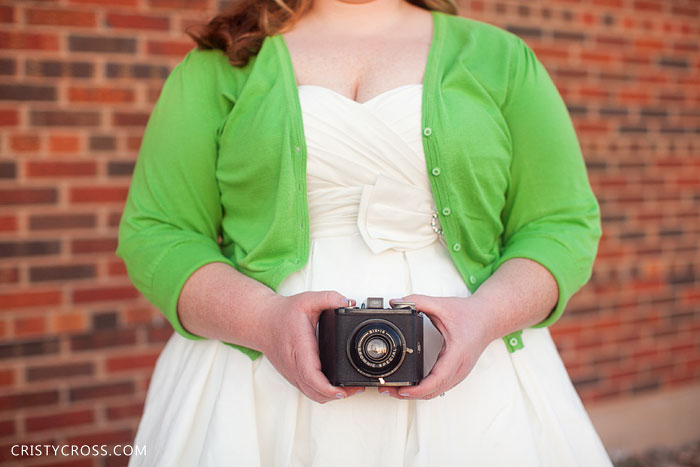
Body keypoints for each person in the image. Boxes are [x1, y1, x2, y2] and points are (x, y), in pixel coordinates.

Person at [116, 0, 613, 465]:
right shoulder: (221, 63)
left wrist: (484, 317)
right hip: (253, 384)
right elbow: (159, 231)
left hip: (475, 380)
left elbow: (560, 222)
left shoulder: (499, 58)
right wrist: (262, 321)